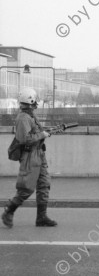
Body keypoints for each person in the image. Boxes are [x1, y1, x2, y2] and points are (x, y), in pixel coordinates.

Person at [2, 88, 57, 228]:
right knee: (26, 188)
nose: (36, 103)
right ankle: (9, 210)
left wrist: (47, 132)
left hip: (39, 154)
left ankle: (41, 217)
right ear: (30, 100)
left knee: (44, 184)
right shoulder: (23, 118)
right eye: (35, 100)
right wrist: (42, 135)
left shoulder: (30, 115)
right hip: (29, 156)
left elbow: (36, 132)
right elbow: (24, 139)